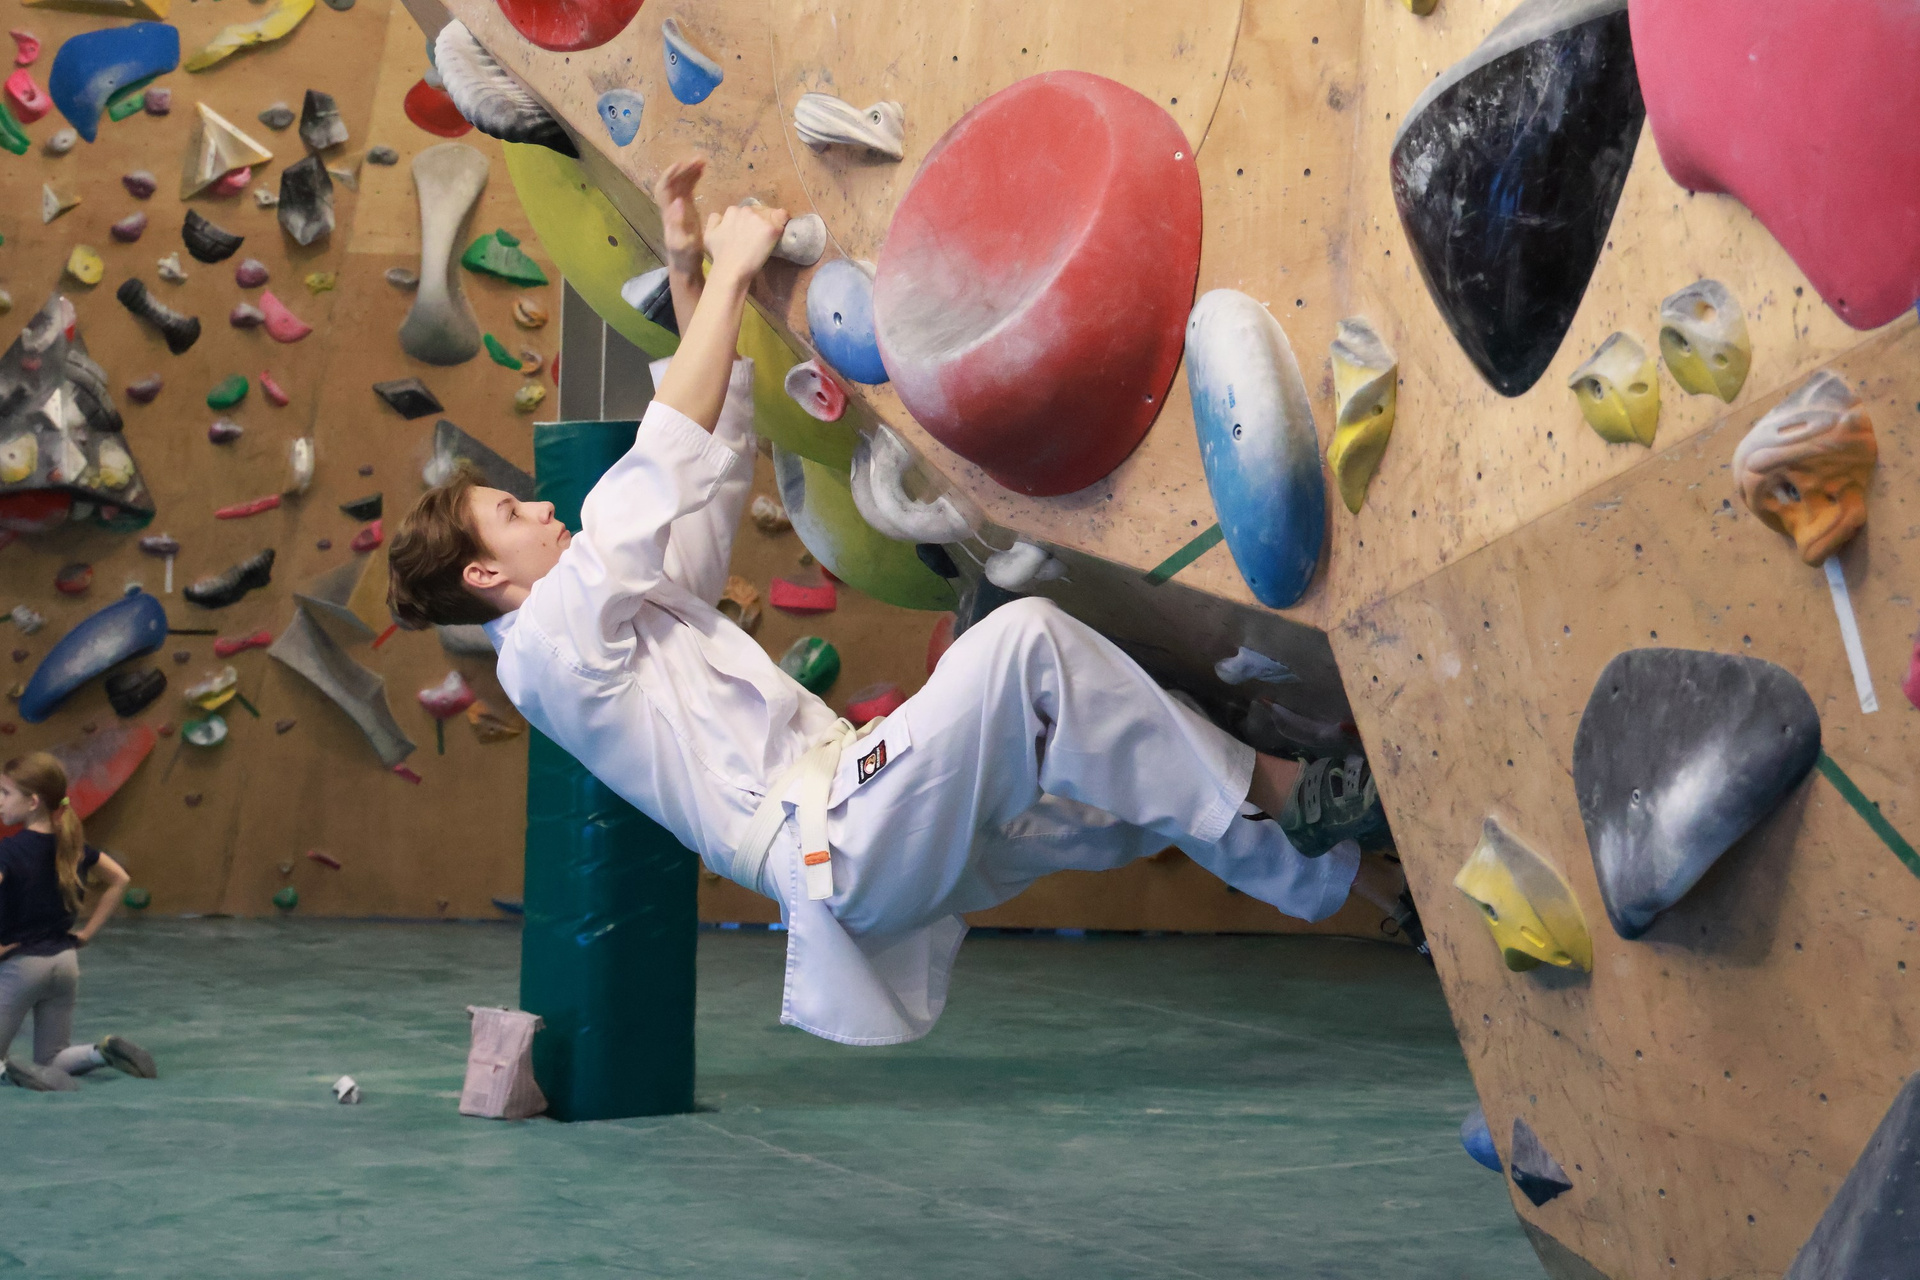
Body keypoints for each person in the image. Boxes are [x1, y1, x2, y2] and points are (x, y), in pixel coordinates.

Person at [387, 156, 1400, 1046]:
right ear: (484, 574)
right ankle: (1296, 792)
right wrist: (736, 269)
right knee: (1025, 644)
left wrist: (689, 267)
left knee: (1143, 774)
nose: (538, 506)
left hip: (865, 833)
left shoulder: (611, 622)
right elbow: (660, 458)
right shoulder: (547, 644)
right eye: (509, 512)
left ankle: (1385, 889)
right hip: (840, 837)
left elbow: (709, 454)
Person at [0, 752, 156, 1090]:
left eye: (5, 793)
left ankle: (23, 1075)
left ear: (33, 802)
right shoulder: (72, 845)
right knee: (54, 1054)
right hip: (65, 962)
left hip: (21, 967)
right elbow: (120, 879)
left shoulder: (8, 852)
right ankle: (102, 1053)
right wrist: (87, 933)